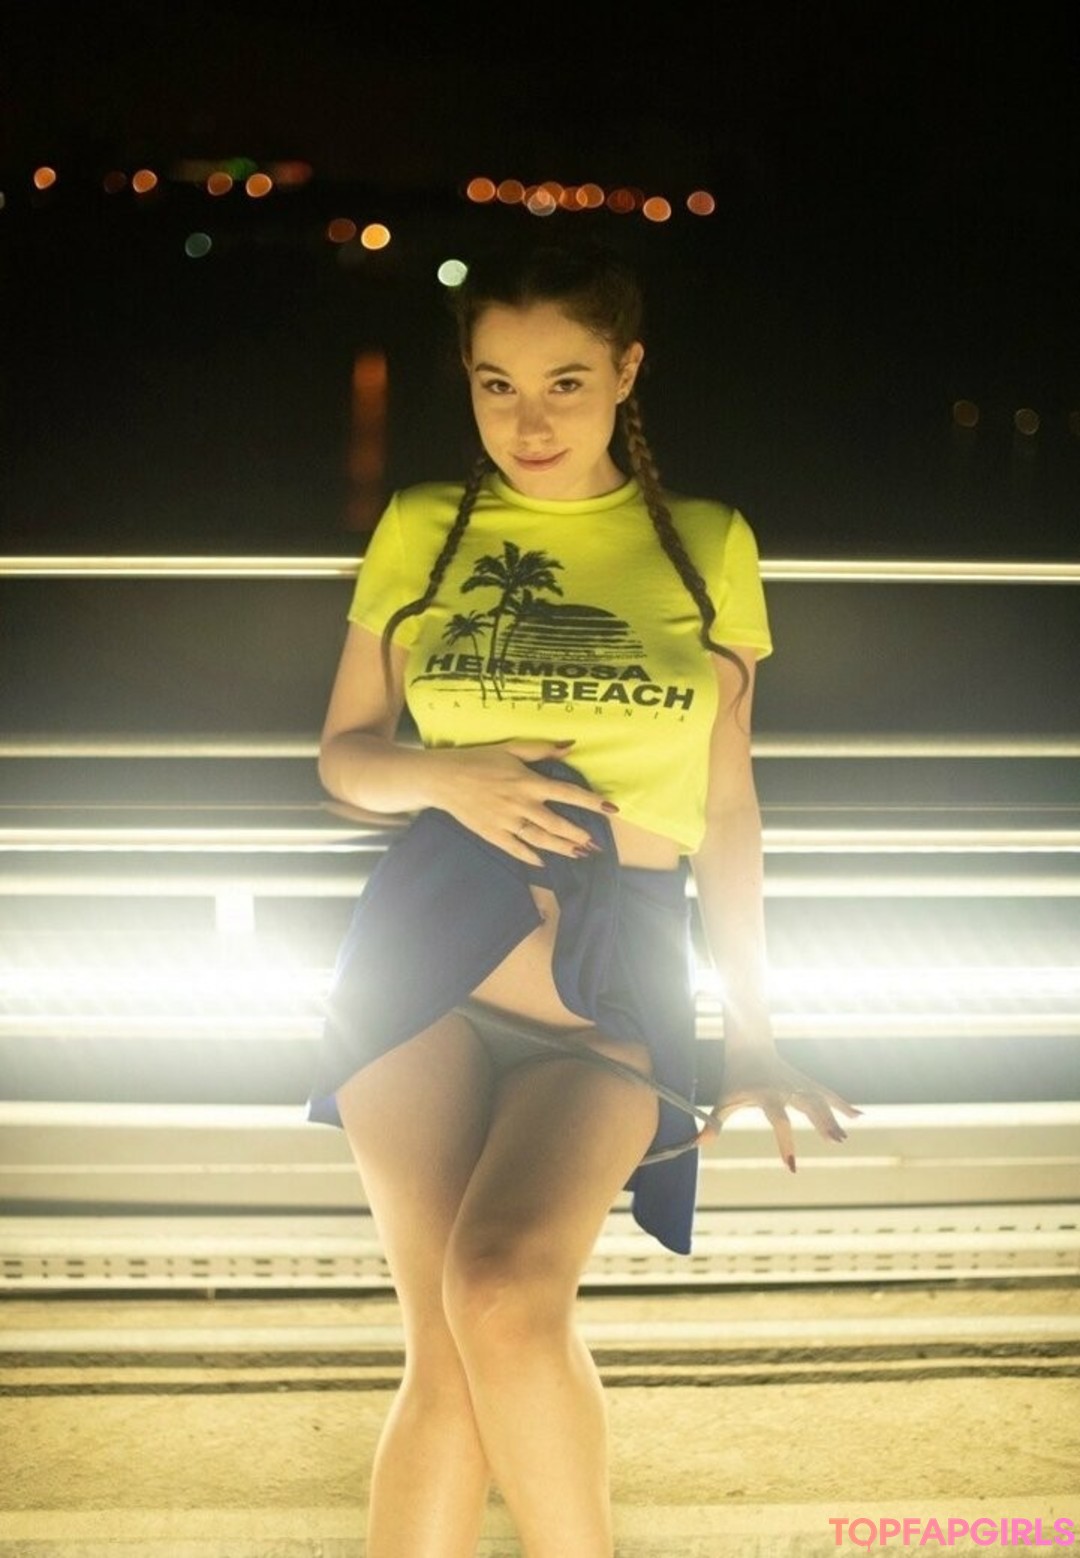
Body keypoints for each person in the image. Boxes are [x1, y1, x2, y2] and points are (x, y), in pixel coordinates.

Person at [306, 236, 861, 1558]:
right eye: (496, 384)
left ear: (626, 372)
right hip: (418, 965)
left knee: (505, 1292)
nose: (529, 420)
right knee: (444, 1353)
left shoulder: (708, 545)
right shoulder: (422, 526)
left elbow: (730, 809)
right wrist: (447, 777)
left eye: (564, 381)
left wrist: (753, 1029)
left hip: (614, 983)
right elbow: (344, 760)